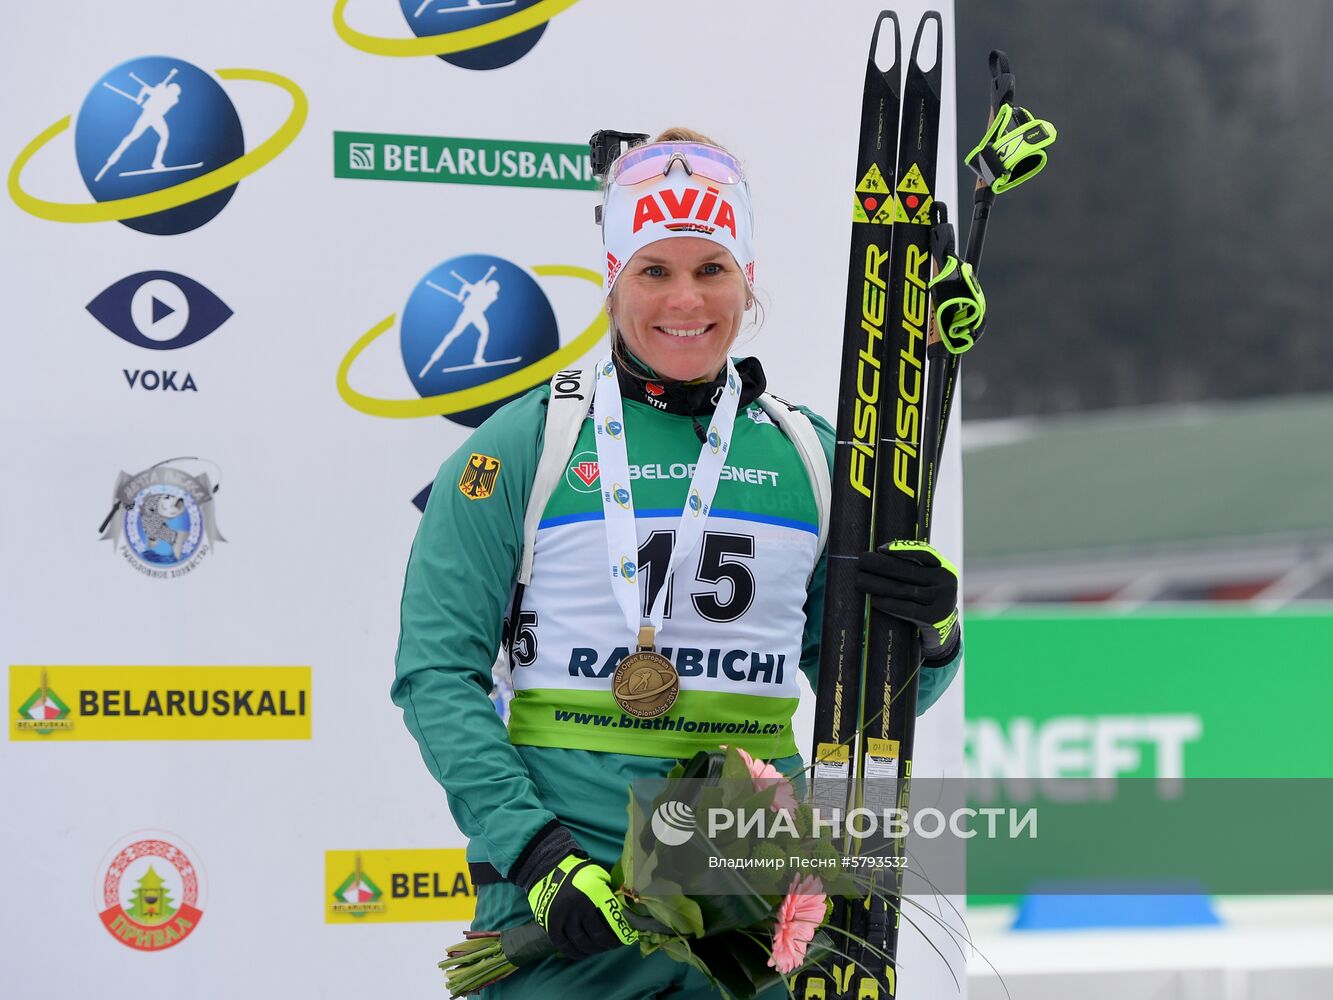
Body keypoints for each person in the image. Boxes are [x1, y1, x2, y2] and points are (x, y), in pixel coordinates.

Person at [393, 127, 962, 998]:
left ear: (747, 280)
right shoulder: (527, 445)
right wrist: (537, 856)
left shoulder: (812, 459)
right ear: (613, 277)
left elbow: (872, 706)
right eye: (654, 270)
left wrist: (930, 632)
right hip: (566, 909)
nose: (684, 301)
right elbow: (435, 673)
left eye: (711, 269)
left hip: (748, 908)